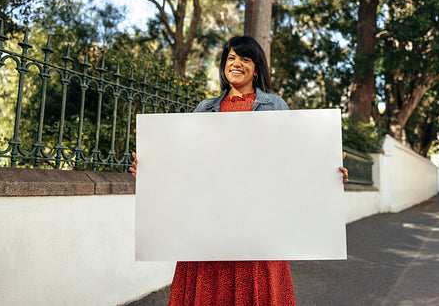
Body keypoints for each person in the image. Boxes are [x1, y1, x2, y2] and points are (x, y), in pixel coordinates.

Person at [130, 36, 349, 305]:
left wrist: (328, 172)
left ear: (256, 69)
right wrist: (152, 173)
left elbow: (292, 163)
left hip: (258, 232)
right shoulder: (205, 109)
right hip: (209, 230)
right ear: (224, 66)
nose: (237, 63)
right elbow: (188, 167)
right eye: (231, 58)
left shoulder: (275, 106)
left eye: (245, 59)